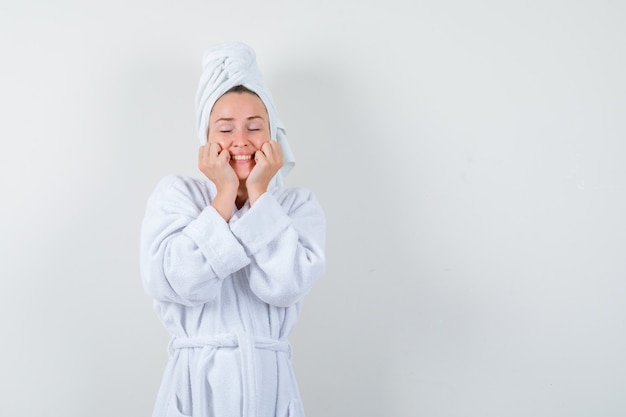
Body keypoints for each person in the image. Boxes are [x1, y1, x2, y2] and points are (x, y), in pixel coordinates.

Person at [140, 42, 326, 417]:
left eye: (254, 127)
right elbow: (182, 282)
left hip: (269, 389)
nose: (241, 140)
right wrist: (224, 194)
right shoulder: (176, 196)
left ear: (273, 135)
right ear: (206, 138)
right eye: (225, 128)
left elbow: (285, 285)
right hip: (194, 387)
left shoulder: (297, 207)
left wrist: (258, 193)